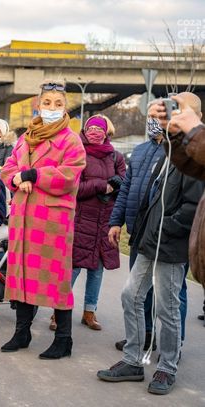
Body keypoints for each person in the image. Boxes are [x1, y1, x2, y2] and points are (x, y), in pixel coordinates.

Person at [97, 92, 205, 395]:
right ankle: (133, 359)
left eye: (177, 109)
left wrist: (164, 230)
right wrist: (141, 229)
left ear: (194, 116)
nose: (169, 115)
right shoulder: (170, 150)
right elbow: (148, 195)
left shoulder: (197, 154)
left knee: (167, 308)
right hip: (149, 241)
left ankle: (167, 367)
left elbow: (192, 207)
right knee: (130, 296)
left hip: (169, 246)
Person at [0, 80, 86, 359]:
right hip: (23, 217)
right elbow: (9, 166)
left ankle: (64, 339)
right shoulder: (27, 136)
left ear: (65, 107)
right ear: (38, 104)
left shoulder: (71, 140)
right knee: (22, 275)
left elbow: (70, 175)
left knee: (56, 279)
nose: (52, 108)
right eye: (47, 102)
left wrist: (34, 175)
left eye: (58, 104)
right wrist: (16, 178)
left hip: (52, 221)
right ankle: (21, 332)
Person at [108, 115, 167, 350]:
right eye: (151, 117)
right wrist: (116, 222)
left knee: (166, 294)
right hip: (138, 230)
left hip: (162, 234)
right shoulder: (140, 150)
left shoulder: (177, 152)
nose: (154, 122)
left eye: (159, 117)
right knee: (137, 291)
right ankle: (142, 335)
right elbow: (126, 190)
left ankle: (172, 344)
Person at [69, 115, 126, 331]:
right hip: (81, 220)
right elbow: (74, 188)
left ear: (106, 132)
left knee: (97, 270)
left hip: (105, 221)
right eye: (90, 128)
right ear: (84, 130)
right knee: (73, 268)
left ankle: (89, 312)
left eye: (99, 128)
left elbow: (125, 186)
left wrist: (117, 184)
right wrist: (102, 186)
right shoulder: (77, 153)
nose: (94, 131)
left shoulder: (116, 157)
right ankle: (59, 312)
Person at [159, 92, 205, 326]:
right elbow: (193, 165)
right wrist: (176, 134)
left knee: (172, 301)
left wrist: (195, 132)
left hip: (173, 241)